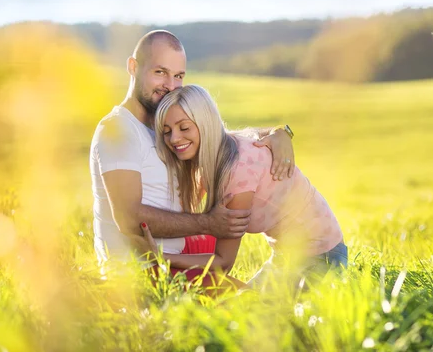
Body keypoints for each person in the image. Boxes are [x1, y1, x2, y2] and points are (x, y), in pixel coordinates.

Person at [89, 30, 295, 282]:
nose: (170, 85)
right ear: (133, 67)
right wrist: (208, 223)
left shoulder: (165, 129)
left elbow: (214, 136)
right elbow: (128, 218)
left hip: (175, 257)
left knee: (261, 302)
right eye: (160, 72)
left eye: (178, 76)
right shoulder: (118, 129)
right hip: (140, 271)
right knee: (255, 309)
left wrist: (278, 133)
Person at [141, 84, 347, 288]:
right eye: (166, 131)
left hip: (321, 257)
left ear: (206, 124)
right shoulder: (217, 153)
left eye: (184, 127)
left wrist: (163, 257)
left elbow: (223, 262)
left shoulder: (236, 172)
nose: (174, 139)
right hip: (285, 256)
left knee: (251, 315)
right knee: (241, 306)